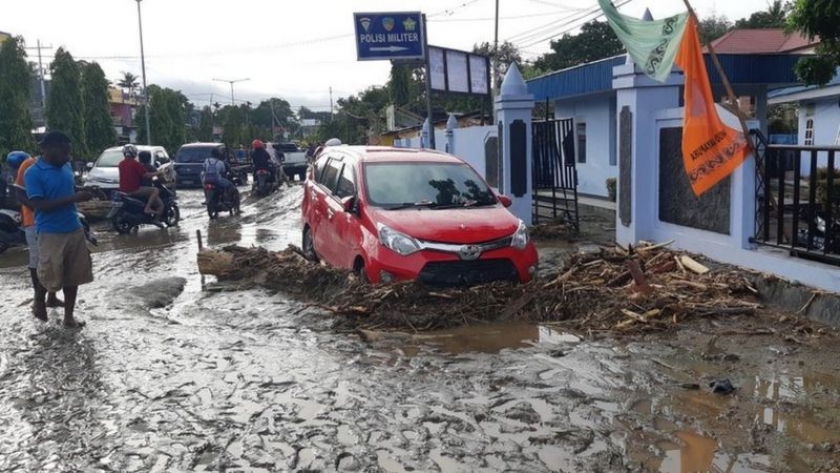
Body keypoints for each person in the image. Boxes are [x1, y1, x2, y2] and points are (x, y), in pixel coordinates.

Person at [23, 131, 95, 328]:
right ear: (48, 150)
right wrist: (74, 198)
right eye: (64, 152)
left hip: (73, 227)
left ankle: (69, 317)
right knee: (49, 273)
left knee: (74, 275)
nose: (67, 156)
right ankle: (39, 302)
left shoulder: (66, 167)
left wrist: (83, 191)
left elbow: (70, 189)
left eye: (68, 152)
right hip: (50, 232)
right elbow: (40, 205)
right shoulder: (34, 173)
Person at [9, 151, 65, 312]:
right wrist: (38, 209)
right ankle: (38, 298)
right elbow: (19, 194)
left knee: (55, 260)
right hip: (34, 221)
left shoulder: (61, 166)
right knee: (37, 260)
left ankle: (52, 297)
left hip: (55, 221)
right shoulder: (29, 165)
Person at [118, 144, 163, 218]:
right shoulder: (136, 164)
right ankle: (148, 208)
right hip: (134, 189)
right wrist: (159, 173)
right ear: (134, 153)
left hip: (123, 190)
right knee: (155, 190)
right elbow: (147, 175)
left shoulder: (121, 164)